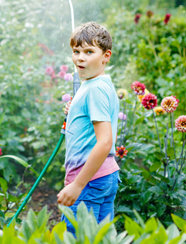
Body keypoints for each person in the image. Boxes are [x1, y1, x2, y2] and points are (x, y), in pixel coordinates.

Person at [57, 22, 120, 235]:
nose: (80, 58)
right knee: (100, 238)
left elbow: (104, 142)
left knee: (79, 237)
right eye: (76, 51)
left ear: (106, 56)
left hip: (89, 179)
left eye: (89, 51)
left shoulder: (94, 89)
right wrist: (74, 109)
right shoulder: (99, 84)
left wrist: (77, 185)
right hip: (104, 176)